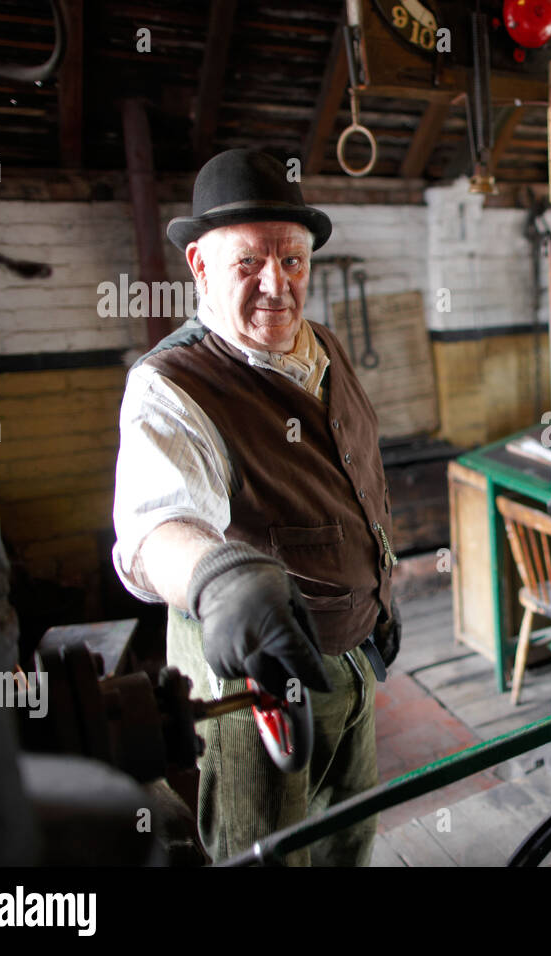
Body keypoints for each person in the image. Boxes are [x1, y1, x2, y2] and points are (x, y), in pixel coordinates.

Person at [111, 148, 400, 865]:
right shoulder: (170, 387)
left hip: (355, 657)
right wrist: (220, 577)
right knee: (266, 857)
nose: (277, 284)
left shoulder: (326, 347)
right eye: (249, 263)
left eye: (293, 261)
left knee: (349, 838)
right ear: (201, 267)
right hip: (255, 692)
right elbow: (154, 528)